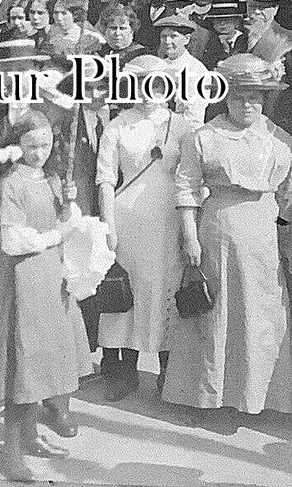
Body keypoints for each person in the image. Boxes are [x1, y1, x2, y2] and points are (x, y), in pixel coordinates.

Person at [163, 54, 292, 414]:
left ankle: (256, 396)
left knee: (260, 313)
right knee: (215, 311)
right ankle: (207, 395)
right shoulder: (204, 136)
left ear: (265, 98)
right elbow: (187, 186)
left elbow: (286, 195)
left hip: (264, 231)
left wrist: (284, 236)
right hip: (218, 229)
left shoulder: (278, 138)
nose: (247, 104)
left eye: (255, 96)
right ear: (224, 97)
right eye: (237, 96)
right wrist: (190, 235)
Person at [0, 111, 90, 483]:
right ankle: (10, 451)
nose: (39, 152)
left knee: (48, 361)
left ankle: (32, 436)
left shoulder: (51, 178)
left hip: (51, 278)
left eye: (45, 145)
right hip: (24, 279)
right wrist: (56, 234)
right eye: (31, 145)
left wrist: (69, 203)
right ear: (17, 145)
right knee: (25, 365)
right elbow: (13, 241)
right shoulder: (10, 184)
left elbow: (69, 221)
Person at [95, 55, 194, 401]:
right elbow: (106, 179)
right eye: (142, 83)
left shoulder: (181, 127)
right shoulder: (118, 125)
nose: (149, 91)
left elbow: (192, 177)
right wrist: (108, 223)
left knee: (165, 288)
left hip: (169, 219)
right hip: (128, 218)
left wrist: (190, 224)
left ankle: (170, 371)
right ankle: (124, 370)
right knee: (128, 291)